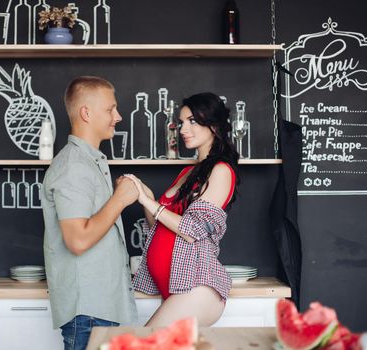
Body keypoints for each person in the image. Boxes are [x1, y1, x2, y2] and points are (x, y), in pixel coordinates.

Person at [41, 76, 138, 350]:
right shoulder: (74, 166)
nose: (118, 117)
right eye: (110, 109)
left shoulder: (89, 162)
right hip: (88, 313)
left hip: (100, 307)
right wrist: (119, 200)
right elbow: (78, 240)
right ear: (86, 113)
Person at [127, 92, 239, 327]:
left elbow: (193, 230)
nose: (183, 129)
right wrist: (145, 195)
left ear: (214, 125)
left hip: (198, 287)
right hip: (175, 286)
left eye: (192, 121)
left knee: (143, 343)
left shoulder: (221, 170)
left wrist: (151, 203)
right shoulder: (187, 173)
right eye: (181, 122)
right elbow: (158, 226)